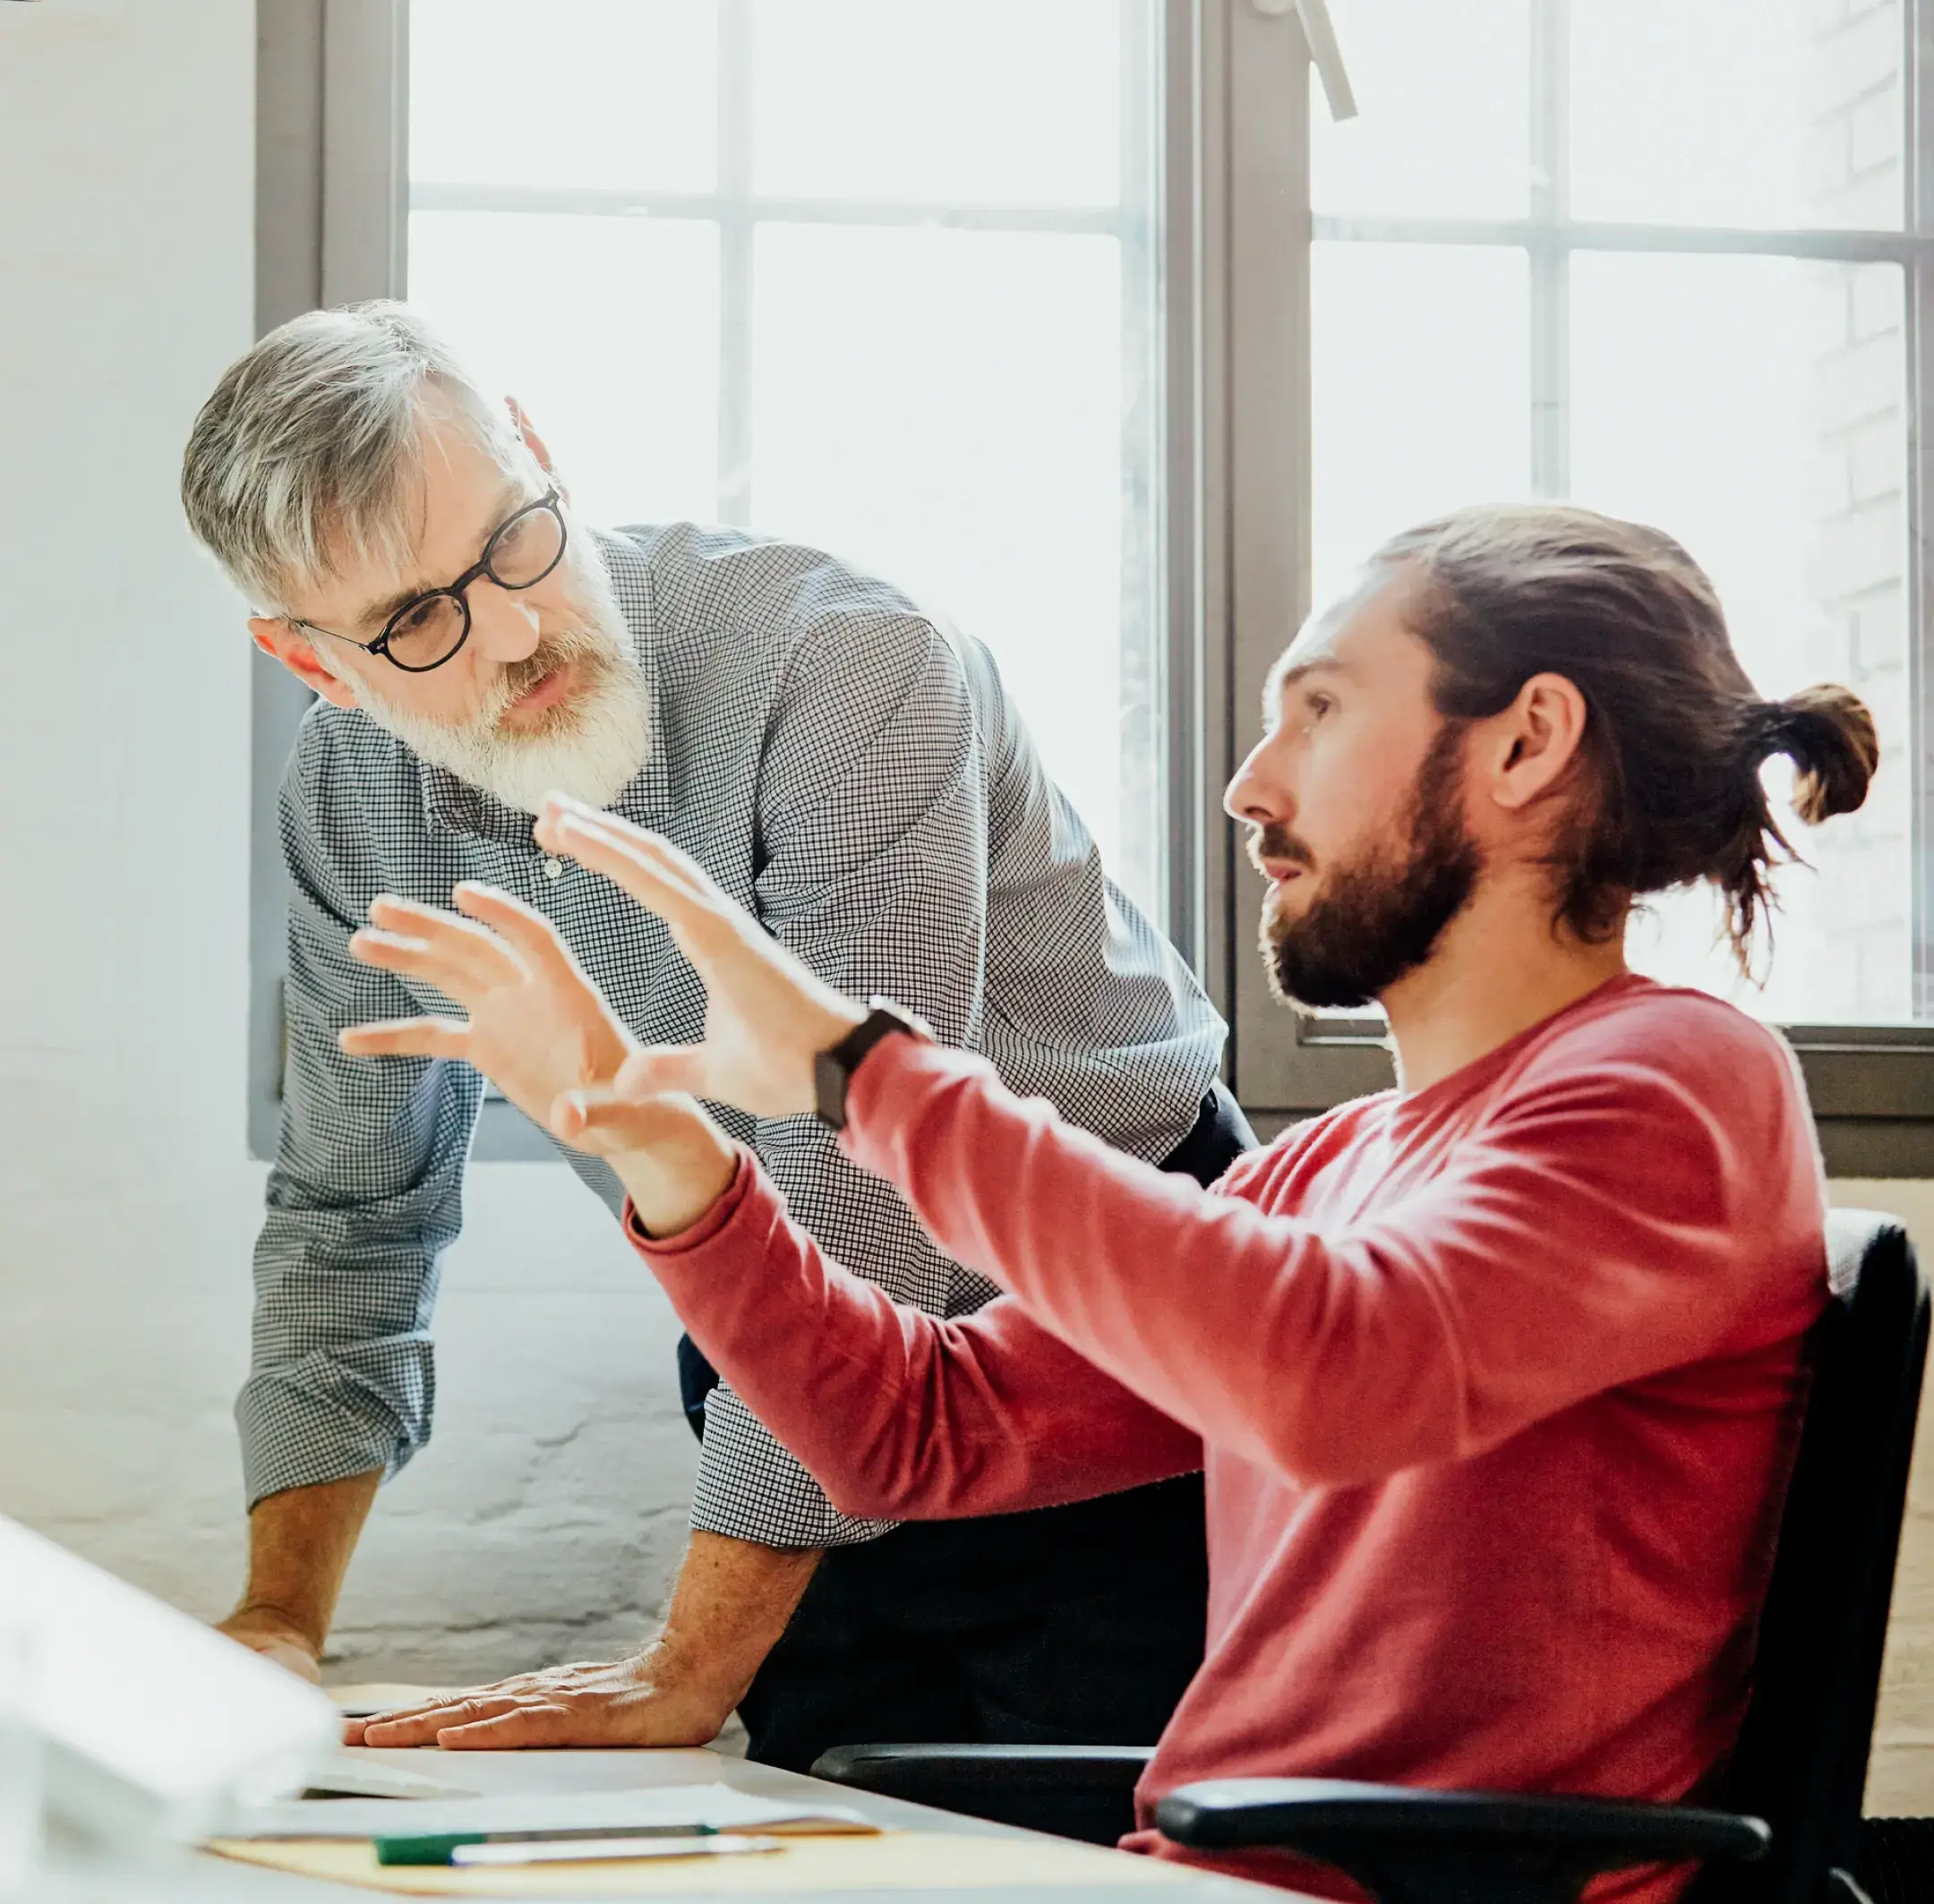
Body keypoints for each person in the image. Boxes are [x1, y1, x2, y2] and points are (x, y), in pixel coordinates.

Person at [336, 504, 1877, 1904]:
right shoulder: (1325, 1167)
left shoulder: (1674, 1080)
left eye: (1321, 707)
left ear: (1529, 740)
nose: (1247, 785)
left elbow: (1341, 1370)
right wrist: (678, 1158)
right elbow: (916, 1434)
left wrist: (866, 1072)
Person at [180, 301, 1251, 1766]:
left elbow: (858, 1184)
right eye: (416, 620)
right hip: (774, 1328)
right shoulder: (350, 794)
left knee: (1119, 1853)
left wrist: (686, 1668)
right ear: (314, 663)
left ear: (540, 452)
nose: (510, 631)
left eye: (513, 540)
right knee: (835, 1837)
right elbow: (354, 1207)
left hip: (1113, 1318)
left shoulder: (844, 663)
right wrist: (278, 1624)